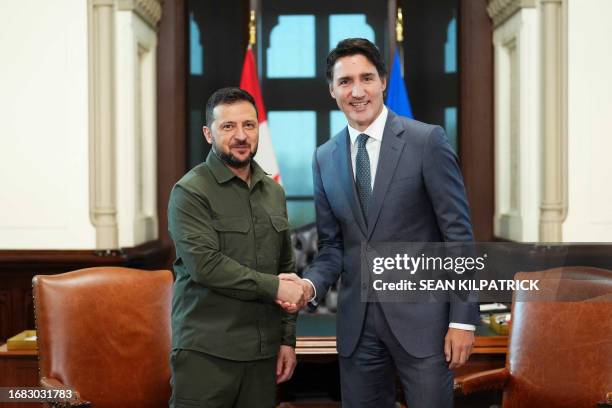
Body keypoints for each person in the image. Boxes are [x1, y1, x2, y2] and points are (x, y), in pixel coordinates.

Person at [280, 38, 480, 408]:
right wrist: (309, 285)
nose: (357, 91)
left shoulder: (427, 142)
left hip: (425, 327)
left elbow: (458, 236)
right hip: (357, 330)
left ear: (383, 81)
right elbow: (332, 248)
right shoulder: (324, 157)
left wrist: (463, 320)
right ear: (332, 90)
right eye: (345, 82)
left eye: (366, 78)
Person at [168, 87, 303, 408]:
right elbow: (207, 266)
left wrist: (287, 341)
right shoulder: (189, 192)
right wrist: (275, 289)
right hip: (206, 355)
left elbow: (286, 268)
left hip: (263, 355)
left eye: (249, 125)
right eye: (228, 127)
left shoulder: (273, 192)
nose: (241, 135)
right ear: (208, 133)